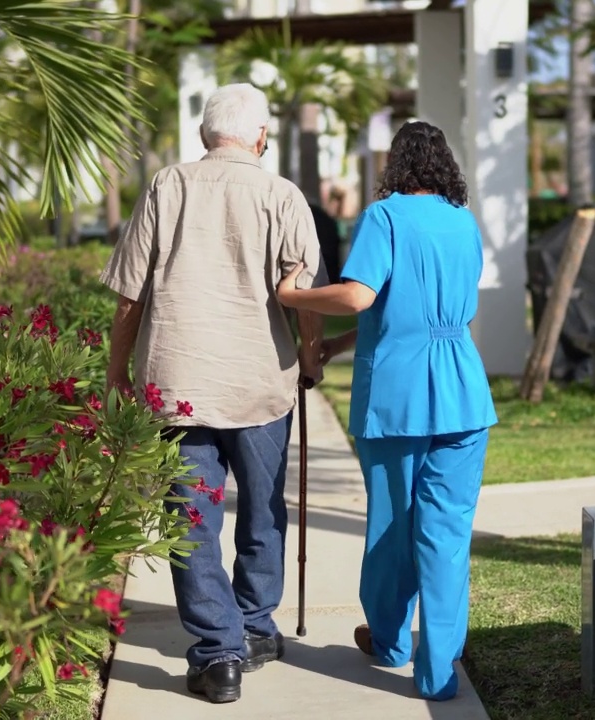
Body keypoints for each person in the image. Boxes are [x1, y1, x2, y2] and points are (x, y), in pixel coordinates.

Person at [101, 82, 327, 705]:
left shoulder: (166, 186)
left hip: (179, 385)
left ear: (206, 134)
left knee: (191, 520)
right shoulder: (284, 196)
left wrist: (116, 374)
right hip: (261, 384)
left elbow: (129, 295)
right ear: (260, 137)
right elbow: (304, 294)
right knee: (263, 510)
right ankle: (254, 626)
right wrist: (309, 357)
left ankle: (218, 655)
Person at [276, 120, 498, 701]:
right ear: (445, 165)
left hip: (398, 399)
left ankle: (392, 641)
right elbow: (431, 313)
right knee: (446, 537)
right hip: (463, 395)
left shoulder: (386, 216)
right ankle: (439, 674)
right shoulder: (463, 221)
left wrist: (293, 296)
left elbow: (359, 296)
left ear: (396, 164)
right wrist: (342, 344)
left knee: (393, 529)